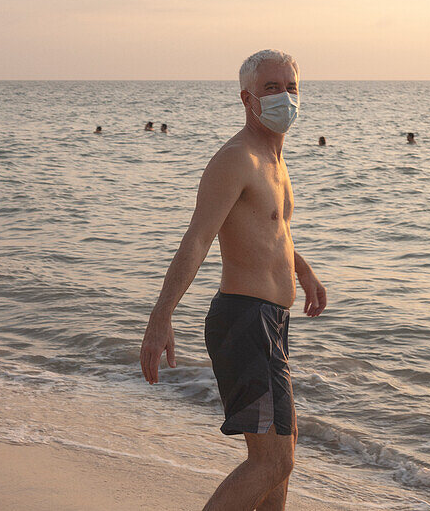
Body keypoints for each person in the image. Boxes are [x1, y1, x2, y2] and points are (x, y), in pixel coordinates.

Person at [140, 49, 327, 511]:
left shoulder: (274, 161)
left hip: (270, 321)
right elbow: (199, 237)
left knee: (281, 459)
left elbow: (270, 231)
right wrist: (161, 316)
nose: (284, 96)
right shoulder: (235, 159)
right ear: (247, 98)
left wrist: (303, 272)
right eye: (271, 88)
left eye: (291, 87)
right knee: (271, 462)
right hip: (246, 319)